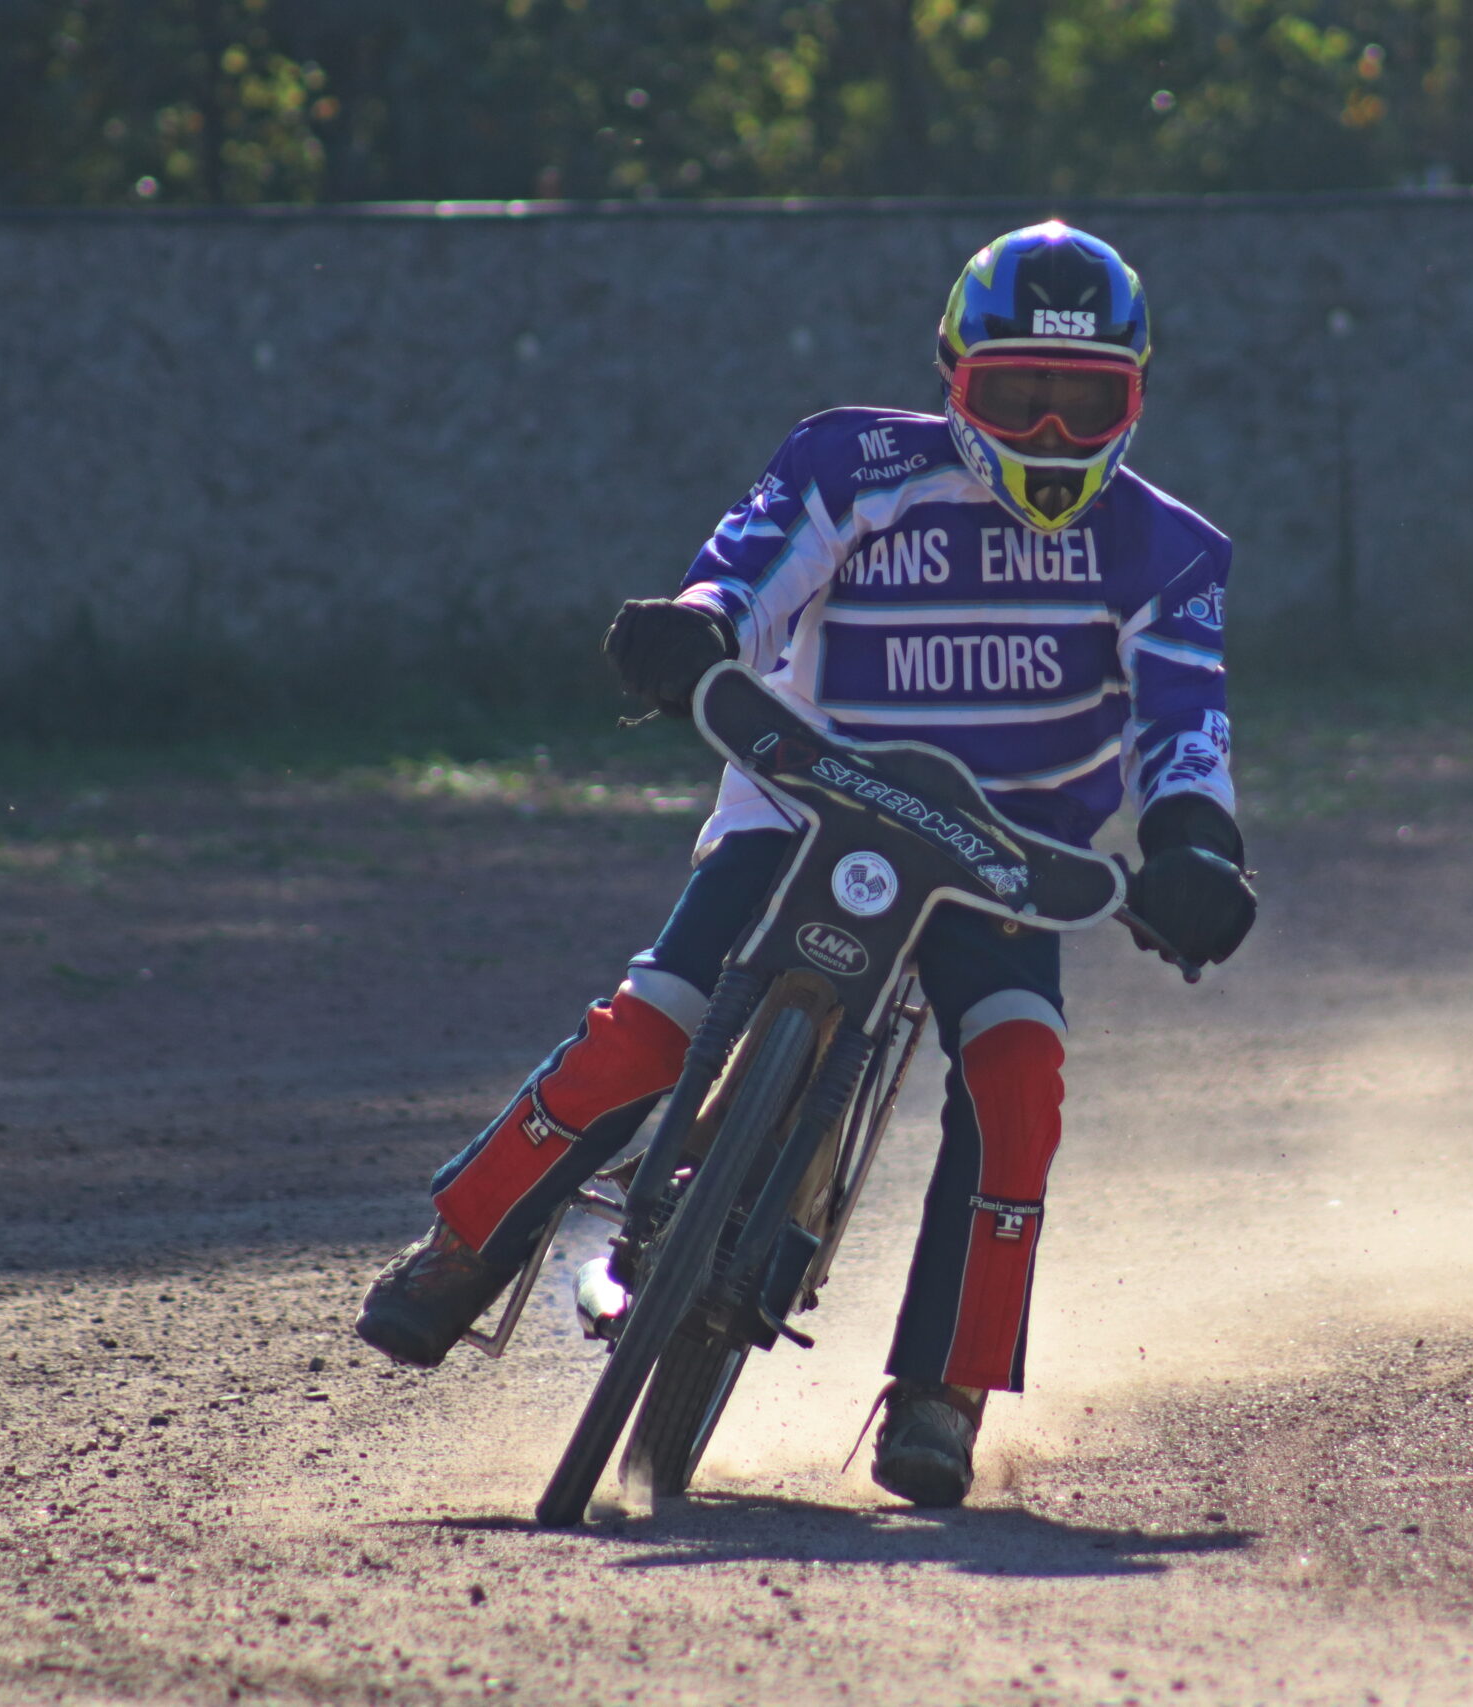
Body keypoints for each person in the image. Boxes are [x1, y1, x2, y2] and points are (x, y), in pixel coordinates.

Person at [352, 222, 1256, 1507]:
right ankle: (460, 1250)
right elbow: (750, 569)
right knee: (655, 1021)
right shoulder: (852, 460)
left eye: (1085, 402)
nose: (1050, 434)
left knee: (1018, 1079)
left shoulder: (1172, 552)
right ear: (951, 379)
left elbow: (1184, 728)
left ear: (1138, 400)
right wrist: (696, 628)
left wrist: (1196, 848)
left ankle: (946, 1387)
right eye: (1016, 396)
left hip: (1005, 862)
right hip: (805, 807)